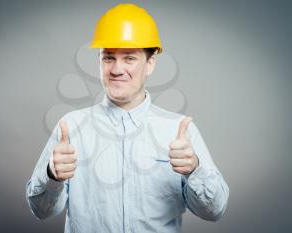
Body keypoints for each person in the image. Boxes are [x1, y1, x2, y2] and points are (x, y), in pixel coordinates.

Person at [26, 3, 229, 233]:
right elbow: (40, 211)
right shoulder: (71, 128)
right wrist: (52, 176)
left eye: (129, 58)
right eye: (108, 57)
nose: (116, 69)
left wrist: (195, 169)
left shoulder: (178, 132)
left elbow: (214, 211)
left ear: (150, 63)